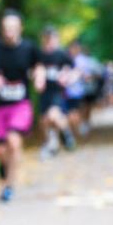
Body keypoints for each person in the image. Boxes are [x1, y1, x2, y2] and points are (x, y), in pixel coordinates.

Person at [0, 9, 45, 202]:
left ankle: (9, 186)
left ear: (20, 28)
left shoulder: (29, 48)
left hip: (20, 105)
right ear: (2, 29)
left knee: (14, 141)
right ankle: (7, 167)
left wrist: (39, 78)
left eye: (13, 27)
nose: (10, 31)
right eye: (6, 28)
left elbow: (38, 66)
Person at [37, 26, 76, 159]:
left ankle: (67, 135)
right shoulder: (39, 55)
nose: (49, 41)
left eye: (52, 38)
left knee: (53, 115)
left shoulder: (61, 54)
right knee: (44, 121)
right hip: (44, 93)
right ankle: (52, 143)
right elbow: (33, 70)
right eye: (47, 39)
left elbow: (74, 70)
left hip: (58, 93)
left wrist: (67, 77)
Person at [66, 41, 98, 137]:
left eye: (75, 48)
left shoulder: (83, 60)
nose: (73, 50)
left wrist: (83, 76)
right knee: (71, 113)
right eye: (72, 48)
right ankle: (74, 131)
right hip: (66, 92)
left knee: (81, 110)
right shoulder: (67, 58)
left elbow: (89, 75)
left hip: (80, 91)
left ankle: (80, 127)